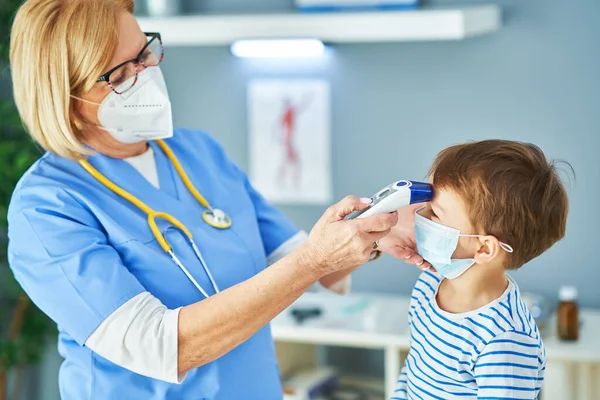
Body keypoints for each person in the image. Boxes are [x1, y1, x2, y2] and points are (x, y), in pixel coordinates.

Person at [6, 1, 426, 399]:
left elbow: (306, 267)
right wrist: (316, 259)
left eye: (146, 52)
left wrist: (379, 226)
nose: (147, 73)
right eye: (120, 74)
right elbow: (163, 347)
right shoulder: (46, 207)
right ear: (67, 98)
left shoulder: (198, 153)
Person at [393, 140, 570, 399]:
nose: (420, 216)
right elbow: (414, 369)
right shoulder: (428, 284)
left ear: (485, 249)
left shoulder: (505, 341)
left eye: (436, 213)